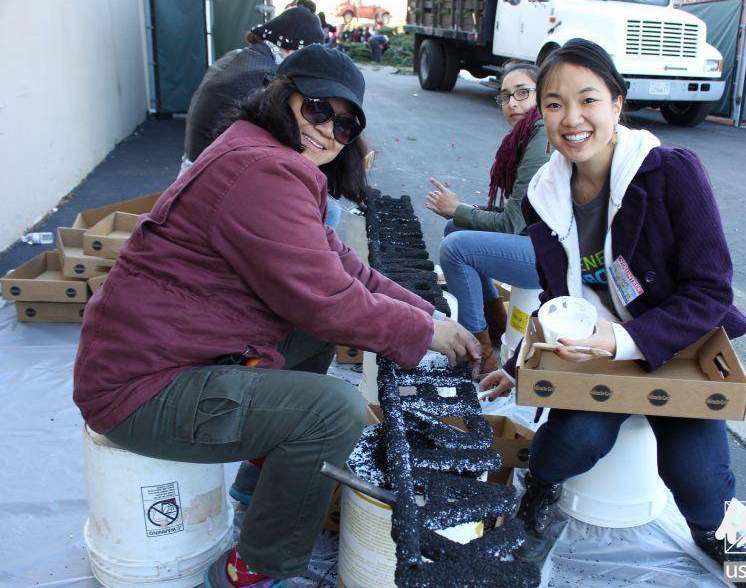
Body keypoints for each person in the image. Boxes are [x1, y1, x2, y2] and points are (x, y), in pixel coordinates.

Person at [73, 45, 480, 588]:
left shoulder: (264, 154)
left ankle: (257, 482)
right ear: (281, 95)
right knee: (334, 411)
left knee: (310, 337)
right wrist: (425, 332)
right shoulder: (263, 171)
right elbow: (327, 300)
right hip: (141, 390)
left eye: (345, 124)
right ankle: (255, 568)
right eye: (316, 108)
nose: (328, 131)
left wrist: (429, 313)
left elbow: (343, 269)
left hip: (169, 356)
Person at [478, 39, 746, 577]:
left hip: (678, 344)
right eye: (554, 104)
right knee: (571, 443)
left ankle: (712, 531)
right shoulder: (544, 196)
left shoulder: (671, 173)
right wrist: (518, 362)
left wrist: (622, 339)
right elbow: (554, 299)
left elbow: (710, 292)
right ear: (541, 115)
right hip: (595, 355)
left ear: (617, 102)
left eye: (588, 99)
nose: (572, 118)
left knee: (699, 483)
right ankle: (538, 498)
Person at [426, 64, 550, 372]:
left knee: (456, 247)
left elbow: (511, 224)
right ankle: (495, 322)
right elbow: (519, 215)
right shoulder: (527, 135)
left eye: (523, 93)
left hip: (556, 257)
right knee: (456, 227)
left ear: (545, 95)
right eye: (506, 96)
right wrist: (463, 213)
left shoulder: (541, 135)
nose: (512, 103)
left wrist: (459, 208)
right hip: (538, 239)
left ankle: (478, 353)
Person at [181, 5, 323, 172]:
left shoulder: (238, 56)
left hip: (192, 165)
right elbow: (286, 137)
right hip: (214, 174)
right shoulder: (268, 76)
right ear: (292, 49)